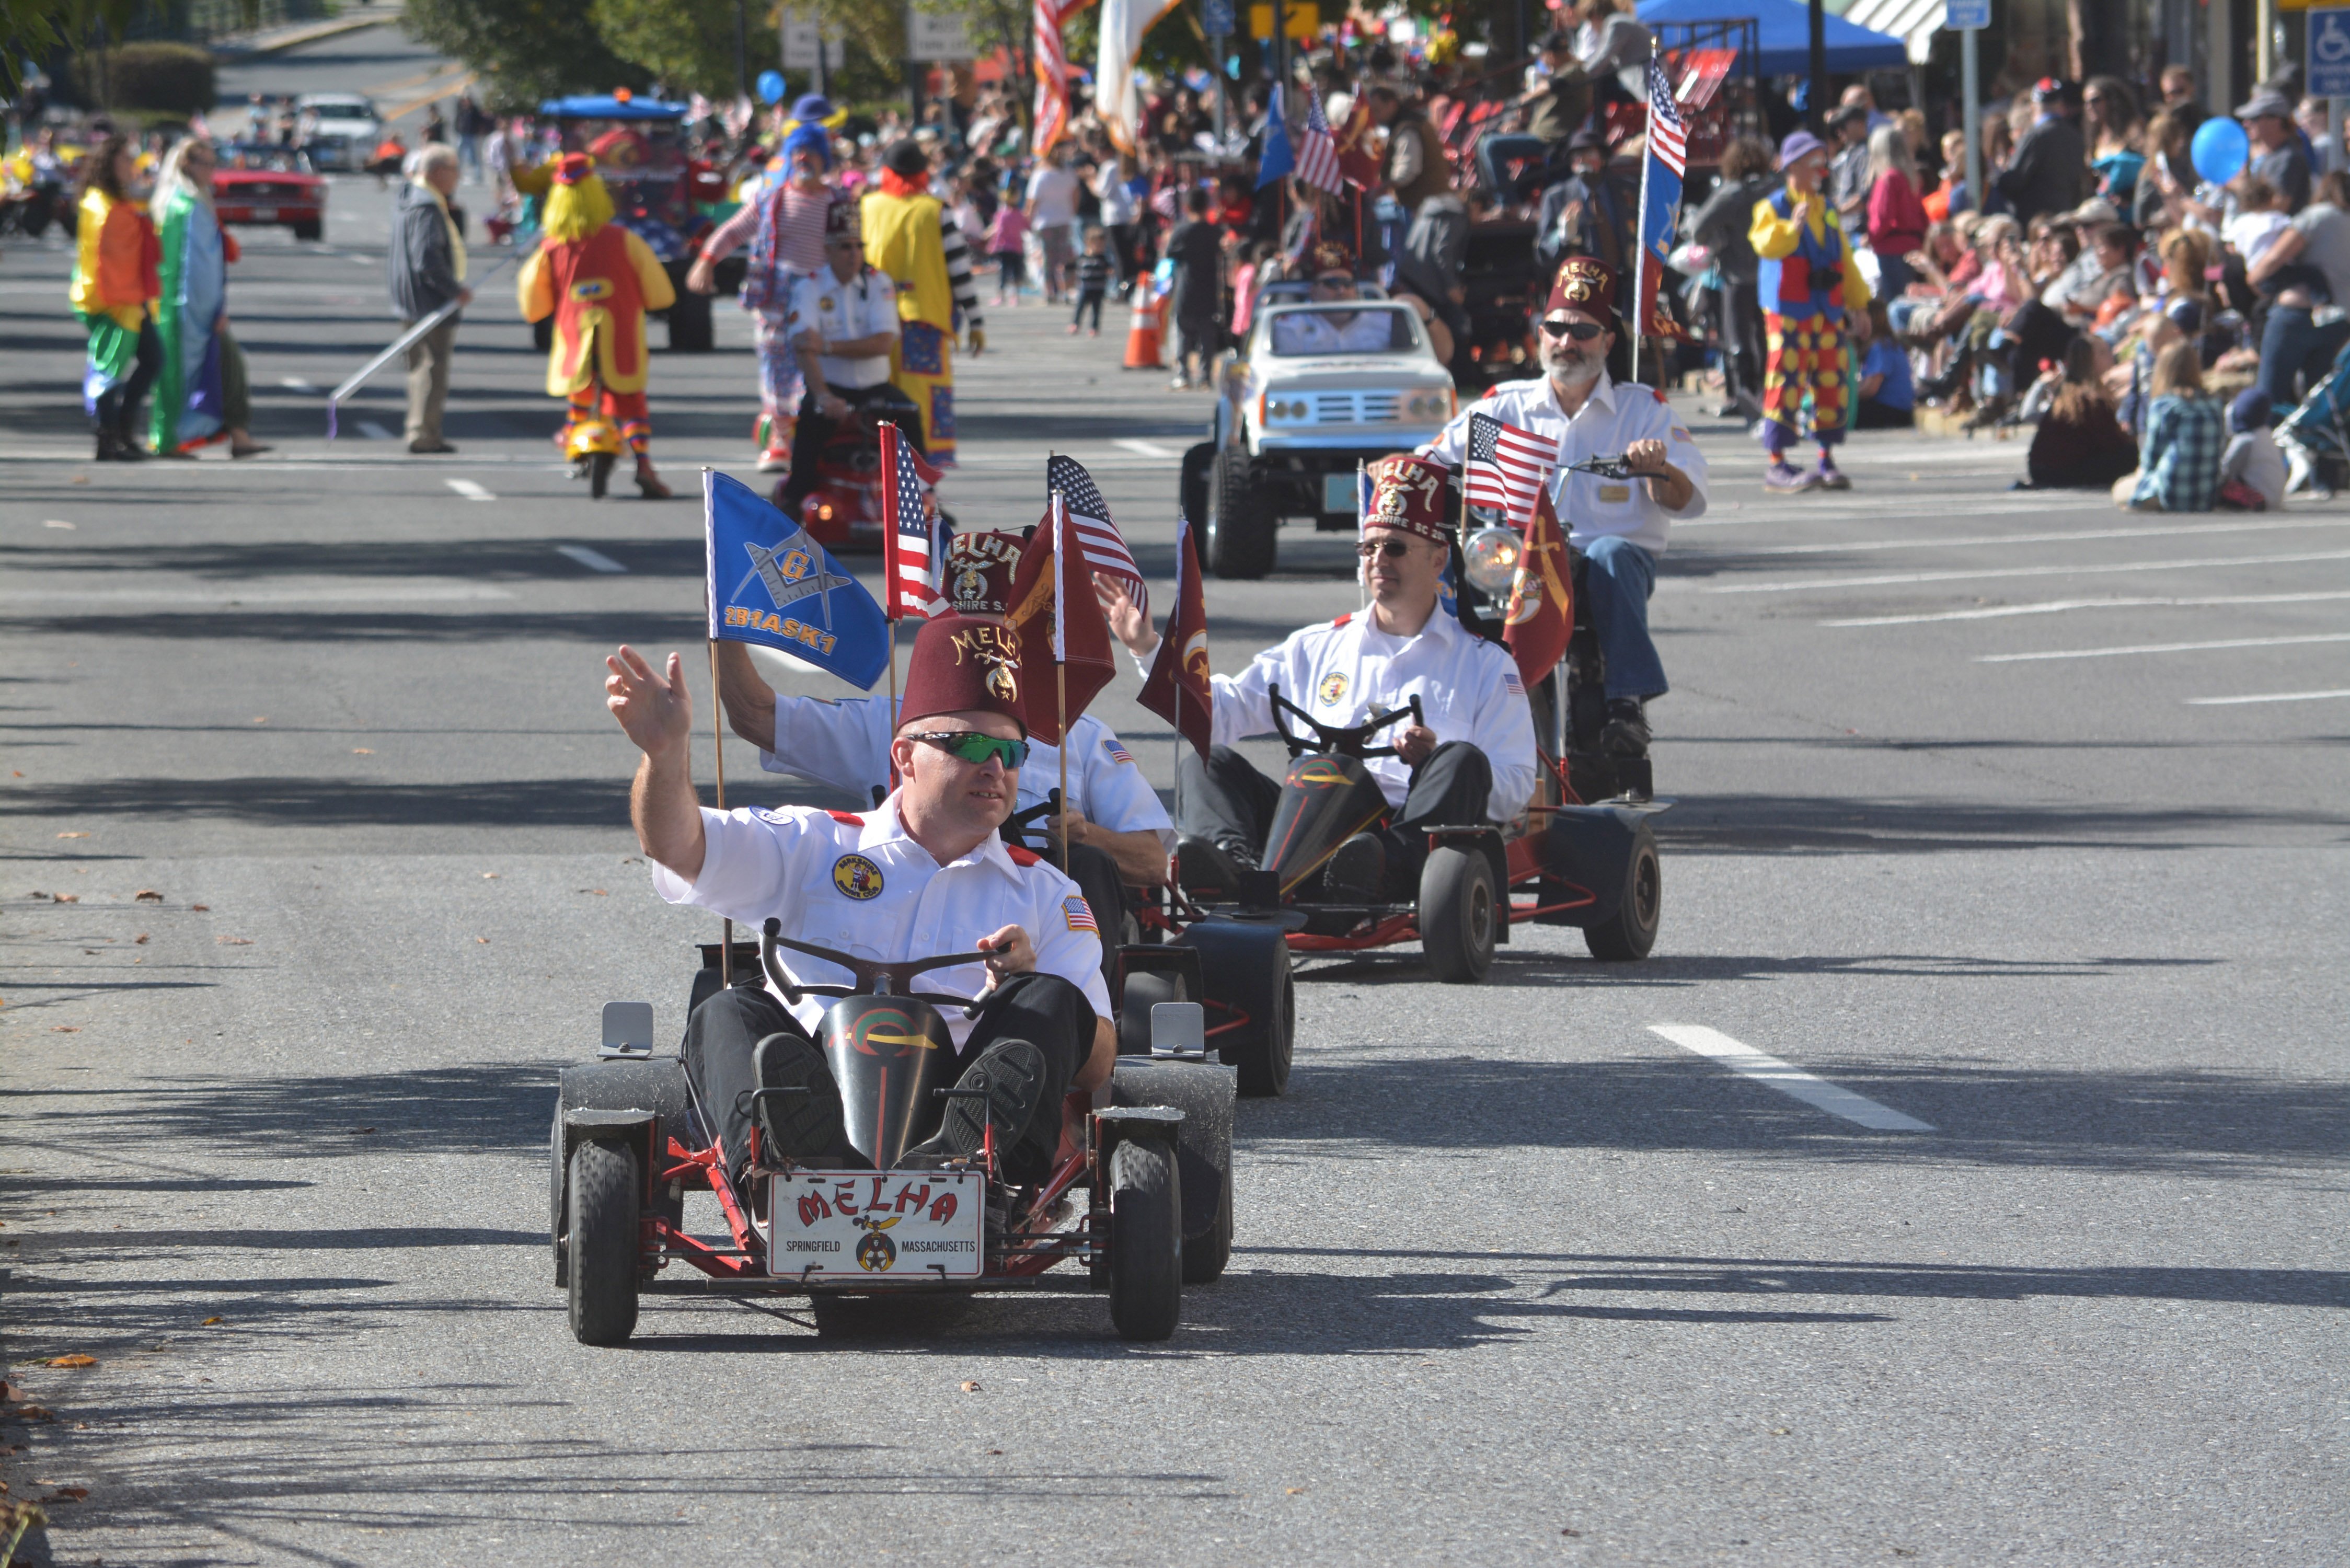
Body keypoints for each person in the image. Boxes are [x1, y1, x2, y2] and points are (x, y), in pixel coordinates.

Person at [607, 614, 1116, 1185]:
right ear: (904, 757)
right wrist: (664, 753)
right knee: (725, 1010)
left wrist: (1021, 981)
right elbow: (675, 846)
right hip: (815, 1091)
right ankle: (784, 1168)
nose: (995, 768)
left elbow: (1098, 1064)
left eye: (1011, 753)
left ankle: (968, 1166)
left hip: (962, 1103)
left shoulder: (1046, 893)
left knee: (1050, 998)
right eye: (970, 745)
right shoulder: (814, 843)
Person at [1097, 454, 1537, 902]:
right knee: (1209, 764)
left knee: (1461, 760)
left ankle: (1377, 868)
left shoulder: (1484, 663)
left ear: (1438, 559)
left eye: (1396, 548)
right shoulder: (1316, 647)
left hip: (1406, 834)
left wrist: (1434, 761)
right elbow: (1219, 716)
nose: (1379, 560)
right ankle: (1240, 870)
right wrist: (1148, 647)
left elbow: (1515, 787)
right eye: (1369, 548)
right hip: (1309, 825)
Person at [710, 606, 1176, 981]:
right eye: (971, 622)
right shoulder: (906, 723)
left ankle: (1091, 1009)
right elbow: (759, 718)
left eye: (1011, 754)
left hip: (1026, 910)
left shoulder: (1083, 736)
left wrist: (1088, 835)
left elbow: (1153, 863)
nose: (986, 643)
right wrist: (727, 617)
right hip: (895, 897)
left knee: (1088, 866)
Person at [1418, 256, 1708, 757]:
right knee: (1455, 578)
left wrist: (1658, 470)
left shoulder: (1644, 410)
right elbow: (1432, 462)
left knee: (1614, 552)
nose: (1567, 342)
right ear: (1540, 334)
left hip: (1606, 573)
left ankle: (1627, 705)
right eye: (1556, 329)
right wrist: (1393, 468)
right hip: (1516, 569)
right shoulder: (1503, 408)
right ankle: (1445, 718)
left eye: (1584, 332)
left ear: (1609, 342)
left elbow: (1688, 501)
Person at [516, 152, 677, 499]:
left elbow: (533, 298)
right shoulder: (624, 240)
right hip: (622, 330)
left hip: (575, 331)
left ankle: (574, 433)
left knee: (581, 389)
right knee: (631, 400)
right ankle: (644, 464)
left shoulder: (553, 247)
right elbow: (659, 290)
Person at [687, 113, 834, 474]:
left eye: (811, 154)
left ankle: (819, 437)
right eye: (797, 152)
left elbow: (856, 248)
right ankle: (780, 438)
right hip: (776, 293)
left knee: (821, 363)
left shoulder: (837, 203)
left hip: (823, 296)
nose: (803, 160)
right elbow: (733, 232)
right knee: (776, 364)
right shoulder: (771, 200)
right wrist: (706, 261)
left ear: (823, 160)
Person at [1750, 131, 1873, 492]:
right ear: (1793, 167)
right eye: (1814, 162)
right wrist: (1794, 226)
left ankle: (1826, 458)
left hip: (1827, 309)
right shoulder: (1771, 207)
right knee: (1785, 381)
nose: (1822, 169)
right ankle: (1778, 464)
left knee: (1831, 380)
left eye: (1823, 161)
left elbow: (1845, 260)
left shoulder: (1829, 209)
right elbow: (1765, 244)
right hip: (1788, 310)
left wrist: (1859, 303)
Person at [775, 194, 904, 521]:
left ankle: (921, 498)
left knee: (911, 420)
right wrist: (823, 396)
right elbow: (804, 347)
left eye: (858, 246)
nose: (854, 254)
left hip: (876, 387)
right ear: (828, 250)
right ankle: (794, 501)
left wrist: (829, 347)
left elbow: (883, 343)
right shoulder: (809, 288)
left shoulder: (879, 283)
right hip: (831, 386)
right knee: (809, 433)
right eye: (845, 247)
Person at [862, 138, 985, 465]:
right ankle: (923, 477)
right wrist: (976, 320)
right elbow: (960, 270)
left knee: (875, 400)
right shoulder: (935, 211)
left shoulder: (866, 207)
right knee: (924, 404)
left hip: (873, 324)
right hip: (924, 324)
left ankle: (880, 467)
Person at [148, 138, 268, 458]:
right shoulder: (188, 206)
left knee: (213, 370)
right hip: (191, 309)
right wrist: (215, 311)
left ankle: (236, 436)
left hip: (177, 306)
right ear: (188, 165)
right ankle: (173, 438)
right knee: (204, 371)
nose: (213, 171)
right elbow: (199, 269)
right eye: (207, 164)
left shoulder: (176, 202)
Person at [69, 131, 161, 462]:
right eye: (126, 158)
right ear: (110, 163)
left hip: (129, 298)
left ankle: (121, 433)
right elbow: (107, 255)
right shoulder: (102, 205)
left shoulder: (113, 201)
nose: (132, 165)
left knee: (152, 359)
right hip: (113, 300)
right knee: (109, 367)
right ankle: (107, 440)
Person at [1367, 82, 1471, 358]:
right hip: (1422, 209)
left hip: (1422, 210)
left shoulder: (1408, 129)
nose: (1376, 116)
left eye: (1379, 109)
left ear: (1392, 105)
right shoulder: (1406, 126)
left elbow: (1407, 171)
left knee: (1419, 273)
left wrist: (1381, 187)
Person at [388, 143, 470, 456]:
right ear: (438, 173)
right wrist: (454, 289)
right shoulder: (426, 205)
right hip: (428, 301)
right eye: (454, 171)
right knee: (431, 369)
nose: (458, 178)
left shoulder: (411, 197)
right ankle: (422, 433)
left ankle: (425, 431)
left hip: (411, 298)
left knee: (422, 368)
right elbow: (427, 258)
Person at [1688, 136, 1774, 422]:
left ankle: (1742, 395)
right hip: (1771, 273)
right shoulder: (1775, 188)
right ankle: (1767, 393)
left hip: (1737, 275)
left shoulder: (1730, 193)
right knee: (1767, 337)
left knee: (1737, 338)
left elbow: (1698, 228)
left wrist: (1720, 236)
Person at [2249, 171, 2350, 404]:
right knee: (2320, 403)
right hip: (2338, 321)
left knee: (2270, 396)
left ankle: (2267, 440)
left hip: (2298, 315)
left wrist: (2254, 278)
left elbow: (2274, 258)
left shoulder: (2318, 216)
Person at [2117, 340, 2223, 512]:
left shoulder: (2163, 405)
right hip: (2207, 495)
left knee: (2120, 489)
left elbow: (2151, 457)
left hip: (2171, 493)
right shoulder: (2214, 404)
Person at [2025, 336, 2137, 490]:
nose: (2111, 356)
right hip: (2062, 471)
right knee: (2133, 454)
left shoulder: (2067, 390)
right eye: (2104, 353)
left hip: (2040, 470)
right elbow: (2112, 442)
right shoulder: (2090, 398)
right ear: (2091, 360)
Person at [1268, 240, 1397, 353]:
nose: (1342, 290)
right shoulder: (1291, 330)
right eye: (1332, 283)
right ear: (1314, 291)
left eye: (1347, 283)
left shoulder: (1385, 324)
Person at [1995, 79, 2087, 227]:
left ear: (2033, 107)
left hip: (2036, 222)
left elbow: (2014, 180)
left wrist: (1998, 178)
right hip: (2066, 216)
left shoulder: (2034, 136)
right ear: (2061, 106)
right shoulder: (2075, 136)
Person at [1163, 186, 1223, 389]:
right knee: (1207, 335)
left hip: (1186, 287)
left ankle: (1183, 374)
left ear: (1187, 207)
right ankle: (1206, 376)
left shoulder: (1182, 230)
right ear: (1207, 207)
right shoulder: (1214, 231)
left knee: (1183, 334)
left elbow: (1170, 253)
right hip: (1208, 288)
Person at [1863, 122, 1928, 299]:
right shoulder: (1911, 177)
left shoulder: (1889, 179)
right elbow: (1922, 217)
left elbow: (1883, 218)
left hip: (1892, 251)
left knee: (1895, 305)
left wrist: (1870, 238)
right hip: (1912, 248)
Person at [1024, 145, 1081, 303]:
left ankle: (1051, 290)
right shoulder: (1068, 173)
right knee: (1064, 257)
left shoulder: (1041, 175)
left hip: (1045, 221)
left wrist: (1028, 219)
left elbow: (1033, 201)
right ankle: (1066, 288)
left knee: (1049, 258)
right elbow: (1076, 193)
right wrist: (1072, 212)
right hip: (1064, 219)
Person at [2238, 91, 2311, 214]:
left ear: (2276, 121)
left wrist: (2237, 186)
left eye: (2254, 118)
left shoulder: (2289, 158)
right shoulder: (2264, 156)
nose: (2246, 124)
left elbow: (2279, 207)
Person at [2219, 388, 2287, 510]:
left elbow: (2226, 471)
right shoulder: (2266, 434)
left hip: (2257, 498)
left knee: (2220, 487)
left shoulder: (2245, 440)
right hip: (2274, 498)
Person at [1827, 105, 1872, 229]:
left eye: (1843, 126)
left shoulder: (1866, 153)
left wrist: (1839, 212)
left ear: (1860, 124)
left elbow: (1865, 195)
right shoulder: (1851, 153)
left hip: (1859, 230)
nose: (1839, 131)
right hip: (1847, 228)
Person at [1070, 225, 1113, 336]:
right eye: (1097, 244)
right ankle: (1076, 324)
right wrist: (1065, 268)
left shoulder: (1102, 258)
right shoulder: (1083, 257)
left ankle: (1094, 327)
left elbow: (1110, 268)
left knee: (1096, 310)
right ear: (1088, 243)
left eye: (1102, 245)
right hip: (1085, 288)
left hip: (1098, 288)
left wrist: (1110, 271)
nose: (1100, 247)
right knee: (1080, 307)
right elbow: (1074, 265)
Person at [986, 194, 1028, 305]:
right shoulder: (1020, 215)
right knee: (1016, 272)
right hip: (1018, 248)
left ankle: (1001, 296)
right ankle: (1016, 297)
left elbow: (999, 231)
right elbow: (1027, 227)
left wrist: (993, 246)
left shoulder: (1002, 215)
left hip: (1005, 248)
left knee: (1004, 273)